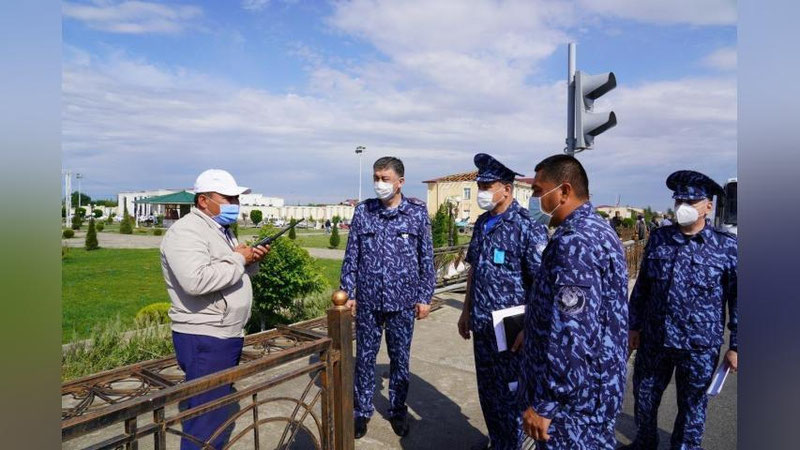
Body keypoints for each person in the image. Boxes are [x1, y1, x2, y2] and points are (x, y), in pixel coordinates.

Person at [622, 170, 738, 450]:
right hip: (655, 339)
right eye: (678, 201)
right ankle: (645, 442)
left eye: (691, 201)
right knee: (645, 396)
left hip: (698, 345)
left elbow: (739, 300)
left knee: (692, 406)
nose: (682, 207)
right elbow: (643, 288)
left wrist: (736, 345)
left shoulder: (726, 247)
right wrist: (633, 326)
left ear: (708, 207)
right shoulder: (659, 239)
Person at [519, 154, 628, 449]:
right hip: (592, 391)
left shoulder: (575, 242)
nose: (534, 199)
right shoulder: (597, 228)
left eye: (539, 191)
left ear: (564, 191)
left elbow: (572, 333)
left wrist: (546, 404)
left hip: (572, 407)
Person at [160, 169, 270, 450]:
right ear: (203, 201)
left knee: (214, 410)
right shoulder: (185, 232)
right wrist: (237, 259)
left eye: (237, 198)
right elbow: (196, 281)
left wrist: (250, 260)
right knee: (206, 419)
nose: (235, 204)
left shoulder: (220, 230)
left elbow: (229, 272)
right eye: (228, 198)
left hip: (222, 332)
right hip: (204, 336)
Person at [456, 153, 548, 449]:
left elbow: (541, 284)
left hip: (513, 331)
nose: (482, 192)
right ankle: (498, 441)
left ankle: (513, 443)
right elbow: (473, 270)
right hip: (483, 325)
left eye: (487, 186)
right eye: (479, 185)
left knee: (513, 393)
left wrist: (529, 327)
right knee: (488, 392)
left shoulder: (527, 225)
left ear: (506, 189)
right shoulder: (483, 223)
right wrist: (465, 311)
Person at [340, 156, 436, 438]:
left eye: (385, 179)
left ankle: (397, 409)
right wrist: (349, 292)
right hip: (368, 301)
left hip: (403, 302)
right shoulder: (364, 212)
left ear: (400, 182)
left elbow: (426, 259)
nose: (379, 184)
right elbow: (352, 256)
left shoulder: (416, 214)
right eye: (376, 178)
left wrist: (424, 297)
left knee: (400, 359)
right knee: (365, 359)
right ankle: (362, 411)